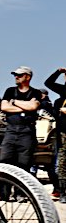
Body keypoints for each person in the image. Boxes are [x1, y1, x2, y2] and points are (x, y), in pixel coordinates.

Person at [0, 66, 41, 200]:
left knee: (24, 164)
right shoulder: (10, 91)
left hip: (26, 132)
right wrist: (25, 107)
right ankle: (4, 194)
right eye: (15, 75)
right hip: (11, 130)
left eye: (19, 75)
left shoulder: (35, 92)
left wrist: (15, 102)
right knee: (5, 162)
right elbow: (4, 107)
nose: (16, 77)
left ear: (27, 77)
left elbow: (33, 107)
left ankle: (21, 194)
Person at [44, 67, 66, 203]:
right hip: (62, 133)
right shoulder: (64, 91)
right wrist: (58, 72)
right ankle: (63, 191)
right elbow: (49, 83)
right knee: (62, 163)